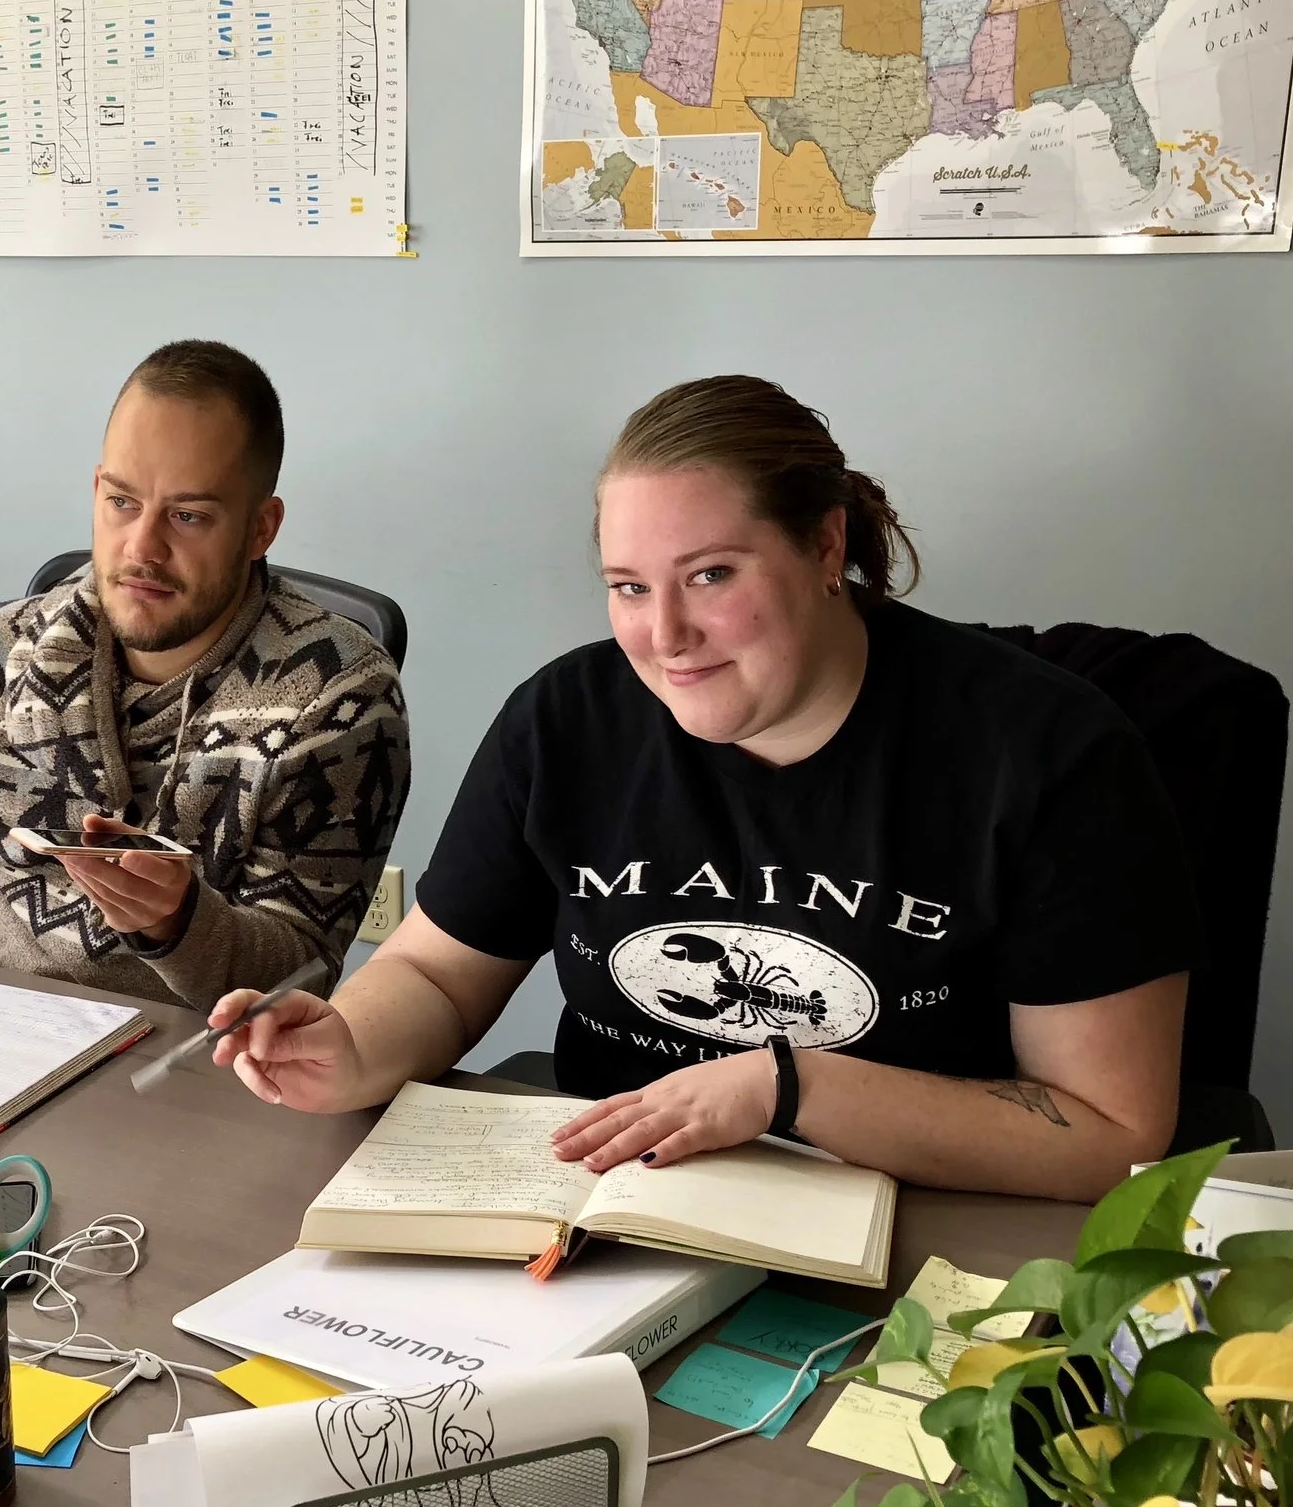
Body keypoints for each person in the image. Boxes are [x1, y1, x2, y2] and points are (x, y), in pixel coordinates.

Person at [210, 376, 1201, 1204]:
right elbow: (433, 976)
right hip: (616, 1205)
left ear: (824, 547)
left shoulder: (1045, 754)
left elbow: (1111, 1134)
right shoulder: (566, 722)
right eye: (630, 587)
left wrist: (791, 1088)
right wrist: (346, 1049)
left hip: (925, 1216)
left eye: (711, 576)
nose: (664, 637)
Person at [0, 340, 411, 1008]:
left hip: (173, 1068)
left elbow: (298, 978)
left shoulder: (336, 695)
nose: (142, 547)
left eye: (188, 515)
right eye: (122, 502)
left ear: (261, 528)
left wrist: (177, 923)